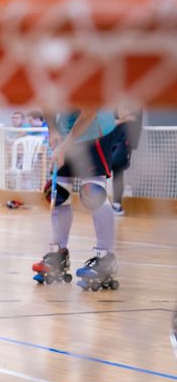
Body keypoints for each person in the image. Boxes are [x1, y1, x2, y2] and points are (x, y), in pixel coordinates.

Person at [32, 109, 121, 289]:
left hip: (95, 130)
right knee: (59, 193)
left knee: (93, 192)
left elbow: (90, 112)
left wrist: (65, 146)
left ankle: (106, 257)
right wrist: (53, 130)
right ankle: (59, 253)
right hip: (66, 131)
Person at [109, 105, 143, 216]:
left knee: (117, 166)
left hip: (124, 140)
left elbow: (132, 118)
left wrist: (119, 120)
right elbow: (111, 121)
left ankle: (117, 204)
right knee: (109, 168)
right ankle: (110, 202)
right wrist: (120, 120)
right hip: (110, 137)